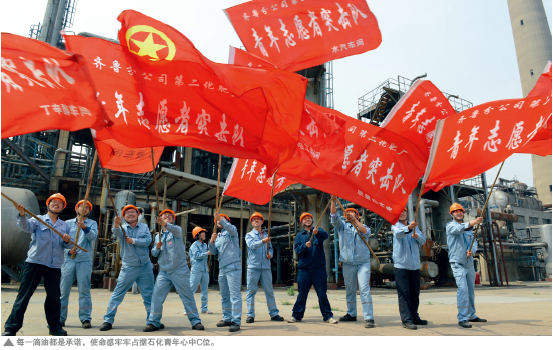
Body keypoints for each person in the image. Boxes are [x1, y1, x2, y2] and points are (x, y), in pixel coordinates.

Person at [3, 193, 72, 336]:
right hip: (35, 263)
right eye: (53, 201)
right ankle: (11, 328)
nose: (56, 204)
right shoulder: (38, 219)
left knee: (54, 298)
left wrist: (66, 241)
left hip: (54, 266)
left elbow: (67, 246)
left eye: (60, 203)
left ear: (62, 207)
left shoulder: (64, 226)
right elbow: (25, 227)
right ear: (48, 204)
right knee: (24, 296)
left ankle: (55, 327)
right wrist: (22, 214)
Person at [144, 210, 204, 331]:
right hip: (164, 272)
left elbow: (176, 230)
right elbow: (154, 254)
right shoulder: (157, 236)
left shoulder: (176, 231)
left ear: (172, 220)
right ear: (159, 218)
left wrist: (165, 225)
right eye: (164, 216)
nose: (167, 216)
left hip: (179, 270)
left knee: (187, 296)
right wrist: (157, 247)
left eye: (170, 216)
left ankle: (195, 321)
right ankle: (154, 322)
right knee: (156, 296)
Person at [100, 205, 154, 331]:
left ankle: (152, 321)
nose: (130, 214)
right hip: (129, 267)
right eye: (127, 213)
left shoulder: (144, 227)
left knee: (149, 295)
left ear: (137, 214)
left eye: (133, 212)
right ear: (124, 217)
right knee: (118, 293)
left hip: (145, 266)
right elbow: (116, 233)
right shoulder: (122, 228)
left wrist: (133, 241)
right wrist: (116, 224)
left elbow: (147, 241)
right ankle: (108, 320)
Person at [330, 197, 375, 328]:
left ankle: (369, 317)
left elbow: (365, 232)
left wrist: (355, 221)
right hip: (348, 263)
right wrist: (333, 201)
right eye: (347, 212)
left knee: (364, 288)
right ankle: (351, 314)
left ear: (357, 215)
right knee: (349, 289)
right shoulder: (342, 227)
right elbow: (334, 216)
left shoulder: (363, 226)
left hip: (363, 263)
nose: (349, 213)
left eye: (353, 212)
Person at [288, 211, 337, 324]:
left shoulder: (318, 231)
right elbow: (297, 249)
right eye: (305, 219)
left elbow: (325, 236)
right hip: (304, 270)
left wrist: (318, 232)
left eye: (309, 218)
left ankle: (328, 316)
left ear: (312, 220)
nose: (308, 220)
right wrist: (305, 246)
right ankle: (296, 316)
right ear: (302, 222)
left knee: (322, 294)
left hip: (318, 269)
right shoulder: (300, 236)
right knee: (302, 294)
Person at [447, 203, 487, 328]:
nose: (459, 213)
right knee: (463, 289)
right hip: (458, 263)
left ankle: (471, 315)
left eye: (461, 211)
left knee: (470, 290)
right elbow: (459, 229)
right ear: (452, 214)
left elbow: (473, 242)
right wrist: (473, 222)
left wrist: (472, 251)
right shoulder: (450, 226)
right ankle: (462, 317)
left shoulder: (469, 230)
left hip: (469, 263)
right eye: (456, 211)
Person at [59, 200, 98, 329]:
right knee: (63, 290)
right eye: (82, 206)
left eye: (87, 208)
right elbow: (60, 242)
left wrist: (85, 228)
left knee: (84, 290)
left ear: (89, 211)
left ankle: (85, 318)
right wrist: (68, 250)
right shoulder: (67, 223)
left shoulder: (92, 223)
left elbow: (93, 237)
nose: (84, 209)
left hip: (84, 260)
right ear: (77, 208)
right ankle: (60, 317)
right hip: (69, 259)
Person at [392, 207, 427, 330]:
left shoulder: (415, 226)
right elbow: (398, 234)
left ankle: (414, 316)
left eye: (404, 211)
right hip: (401, 265)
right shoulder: (395, 225)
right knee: (404, 293)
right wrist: (409, 228)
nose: (402, 213)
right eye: (399, 212)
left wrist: (417, 236)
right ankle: (406, 320)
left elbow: (423, 241)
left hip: (414, 265)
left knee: (414, 293)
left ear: (406, 213)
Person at [245, 212, 284, 323]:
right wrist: (263, 241)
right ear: (251, 222)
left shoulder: (267, 235)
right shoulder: (249, 235)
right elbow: (252, 245)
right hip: (253, 266)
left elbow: (270, 248)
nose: (256, 220)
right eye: (254, 219)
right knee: (251, 291)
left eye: (258, 219)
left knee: (269, 291)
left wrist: (270, 254)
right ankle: (250, 315)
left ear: (262, 221)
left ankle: (274, 313)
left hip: (266, 267)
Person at [209, 212, 242, 332]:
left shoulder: (232, 232)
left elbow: (230, 228)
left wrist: (221, 219)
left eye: (222, 220)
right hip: (222, 268)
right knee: (224, 296)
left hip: (233, 266)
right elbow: (213, 252)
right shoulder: (218, 236)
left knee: (235, 295)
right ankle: (227, 318)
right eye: (217, 221)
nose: (219, 222)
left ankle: (236, 321)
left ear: (226, 221)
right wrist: (212, 242)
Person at [189, 223, 213, 315]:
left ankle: (204, 308)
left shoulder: (205, 245)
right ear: (198, 235)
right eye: (202, 233)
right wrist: (207, 253)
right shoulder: (194, 245)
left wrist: (207, 267)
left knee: (204, 290)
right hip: (196, 270)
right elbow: (197, 255)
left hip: (204, 270)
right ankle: (187, 308)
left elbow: (206, 258)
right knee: (192, 289)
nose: (204, 234)